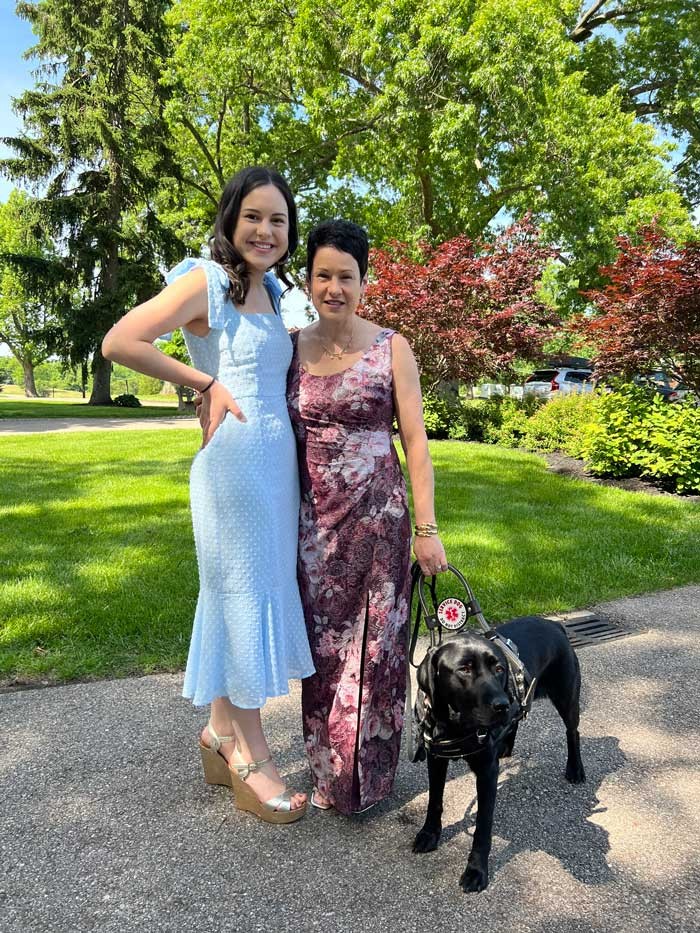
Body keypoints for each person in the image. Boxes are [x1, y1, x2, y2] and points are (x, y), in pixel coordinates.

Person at [102, 166, 314, 824]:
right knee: (241, 597)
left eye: (278, 220)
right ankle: (252, 756)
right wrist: (204, 382)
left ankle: (220, 731)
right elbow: (120, 341)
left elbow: (317, 353)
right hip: (231, 469)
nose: (265, 230)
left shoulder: (281, 289)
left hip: (275, 466)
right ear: (230, 219)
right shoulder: (208, 280)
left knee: (248, 594)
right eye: (253, 216)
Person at [287, 219, 447, 813]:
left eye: (346, 276)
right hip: (314, 529)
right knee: (323, 650)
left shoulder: (391, 347)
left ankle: (371, 780)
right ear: (307, 280)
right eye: (323, 274)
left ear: (363, 281)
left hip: (380, 522)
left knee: (377, 649)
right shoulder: (291, 347)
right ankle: (329, 775)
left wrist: (427, 530)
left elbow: (416, 442)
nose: (334, 286)